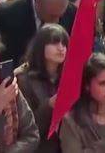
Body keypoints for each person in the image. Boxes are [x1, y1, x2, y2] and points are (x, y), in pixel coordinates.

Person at [0, 0, 75, 67]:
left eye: (60, 15)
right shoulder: (7, 15)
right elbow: (0, 57)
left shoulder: (71, 12)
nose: (57, 21)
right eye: (52, 16)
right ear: (37, 2)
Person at [15, 24, 68, 153]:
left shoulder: (69, 76)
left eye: (64, 44)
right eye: (55, 43)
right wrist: (50, 105)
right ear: (41, 46)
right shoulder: (23, 80)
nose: (61, 48)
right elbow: (26, 128)